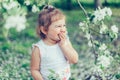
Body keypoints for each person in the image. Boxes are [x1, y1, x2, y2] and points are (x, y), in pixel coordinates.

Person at [30, 5, 78, 80]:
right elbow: (34, 70)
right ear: (44, 30)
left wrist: (63, 46)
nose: (63, 29)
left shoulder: (65, 42)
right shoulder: (39, 49)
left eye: (64, 25)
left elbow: (74, 60)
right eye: (58, 26)